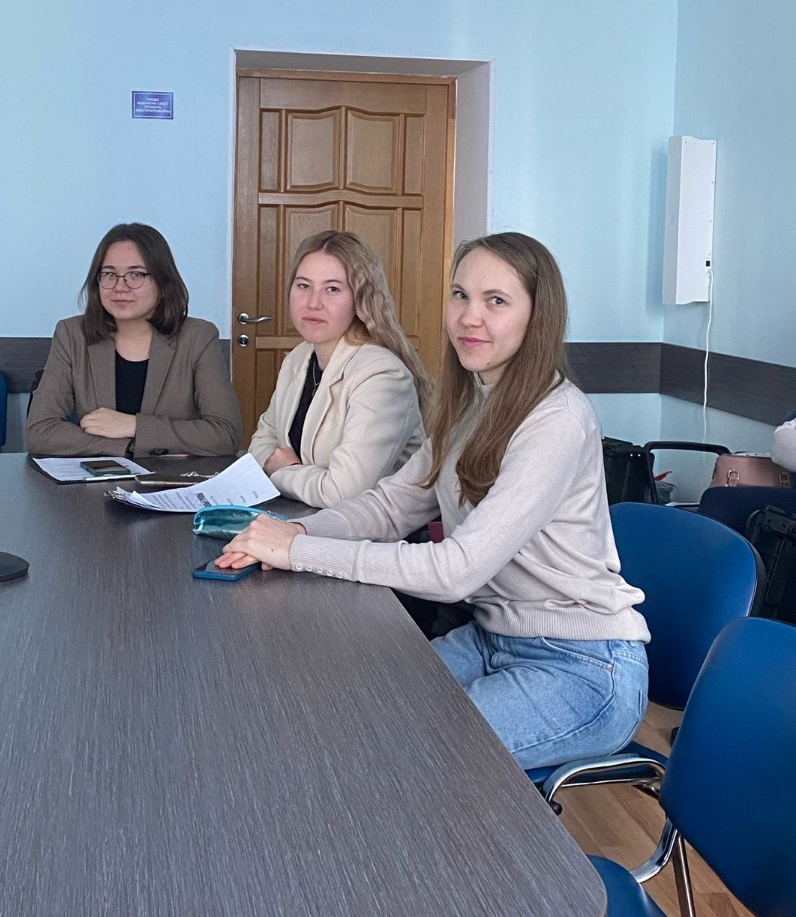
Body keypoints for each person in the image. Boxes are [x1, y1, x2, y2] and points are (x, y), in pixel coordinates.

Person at [220, 232, 650, 771]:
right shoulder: (473, 403)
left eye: (496, 300)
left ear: (537, 317)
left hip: (581, 667)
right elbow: (391, 506)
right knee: (342, 710)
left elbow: (456, 571)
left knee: (397, 756)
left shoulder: (556, 419)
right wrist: (300, 533)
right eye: (460, 295)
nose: (470, 317)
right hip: (492, 637)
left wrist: (298, 551)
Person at [248, 230, 430, 507]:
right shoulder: (298, 358)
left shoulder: (382, 375)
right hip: (306, 516)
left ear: (360, 299)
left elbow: (342, 494)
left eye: (332, 289)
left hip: (371, 530)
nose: (313, 303)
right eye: (303, 286)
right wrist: (300, 476)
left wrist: (283, 470)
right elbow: (261, 443)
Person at [27, 223, 241, 457]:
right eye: (109, 275)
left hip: (172, 478)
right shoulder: (72, 334)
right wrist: (128, 446)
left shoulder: (198, 337)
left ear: (163, 283)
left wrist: (134, 425)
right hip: (98, 478)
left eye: (136, 275)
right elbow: (40, 431)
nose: (120, 287)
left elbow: (225, 434)